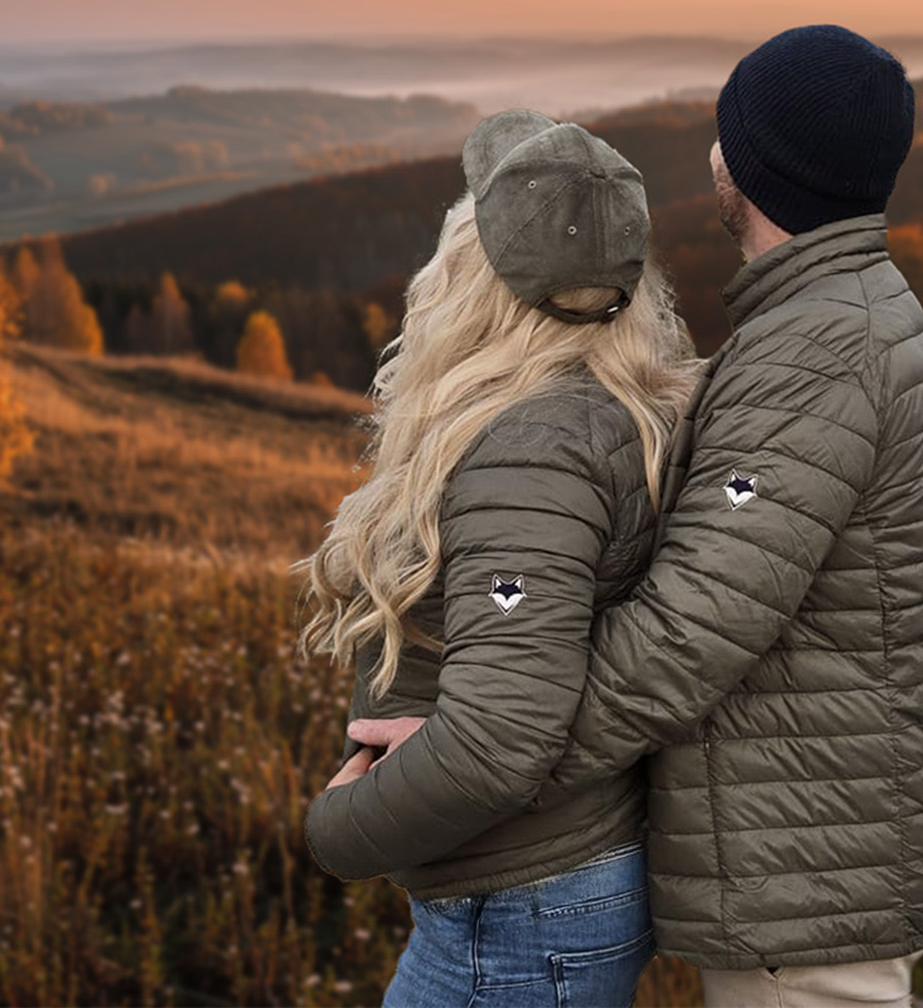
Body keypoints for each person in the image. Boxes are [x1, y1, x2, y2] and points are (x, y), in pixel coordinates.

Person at [347, 25, 923, 1008]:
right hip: (822, 836)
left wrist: (469, 760)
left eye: (727, 130)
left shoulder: (815, 354)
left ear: (753, 167)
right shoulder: (835, 316)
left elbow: (690, 629)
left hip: (810, 867)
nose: (711, 151)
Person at [298, 108, 700, 1007]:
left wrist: (338, 829)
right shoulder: (604, 412)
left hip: (522, 909)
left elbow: (498, 742)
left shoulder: (533, 453)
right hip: (548, 891)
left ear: (473, 280)